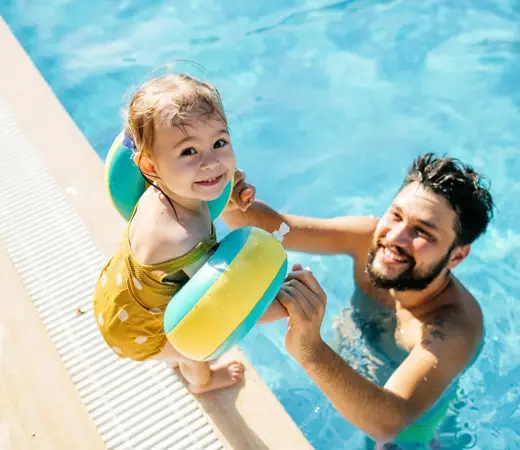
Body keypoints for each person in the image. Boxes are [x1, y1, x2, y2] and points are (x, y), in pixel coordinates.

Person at [222, 154, 494, 446]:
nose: (395, 238)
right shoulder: (367, 238)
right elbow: (277, 227)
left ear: (457, 255)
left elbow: (389, 422)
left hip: (411, 428)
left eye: (422, 232)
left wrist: (309, 348)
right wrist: (226, 198)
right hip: (350, 369)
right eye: (396, 215)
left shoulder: (453, 325)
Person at [92, 74, 287, 395]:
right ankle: (202, 383)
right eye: (188, 152)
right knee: (191, 348)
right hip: (140, 330)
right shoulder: (181, 238)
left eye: (219, 143)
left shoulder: (158, 189)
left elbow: (211, 178)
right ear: (151, 166)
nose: (211, 163)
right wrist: (283, 303)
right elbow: (221, 305)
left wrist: (232, 191)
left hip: (116, 296)